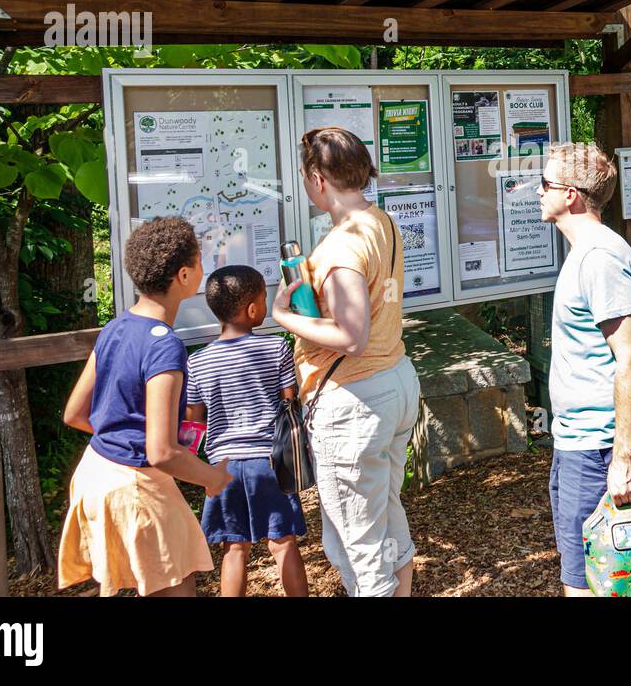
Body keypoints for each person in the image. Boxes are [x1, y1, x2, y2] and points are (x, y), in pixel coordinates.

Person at [272, 126, 420, 597]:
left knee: (355, 544)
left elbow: (349, 337)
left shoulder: (340, 247)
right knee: (385, 513)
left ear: (318, 178)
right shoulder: (380, 221)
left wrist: (283, 317)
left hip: (355, 398)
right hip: (394, 380)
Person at [58, 216, 233, 597]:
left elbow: (75, 413)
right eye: (200, 260)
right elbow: (162, 451)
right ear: (184, 275)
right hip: (136, 489)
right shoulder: (164, 345)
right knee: (177, 589)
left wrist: (125, 435)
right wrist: (213, 478)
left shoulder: (115, 327)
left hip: (96, 473)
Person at [538, 142, 631, 596]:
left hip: (598, 446)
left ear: (570, 195)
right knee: (591, 569)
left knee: (590, 580)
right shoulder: (588, 251)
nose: (538, 192)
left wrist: (623, 459)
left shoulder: (600, 258)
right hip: (581, 439)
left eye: (545, 184)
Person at [185, 264, 309, 597]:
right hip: (267, 461)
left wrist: (192, 467)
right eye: (264, 301)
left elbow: (194, 420)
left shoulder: (197, 361)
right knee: (283, 544)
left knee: (234, 548)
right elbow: (289, 401)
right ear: (252, 309)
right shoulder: (276, 349)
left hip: (221, 466)